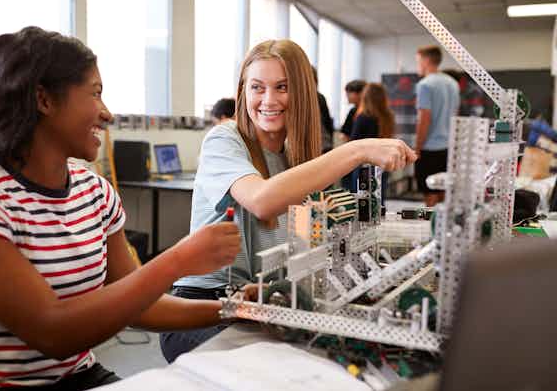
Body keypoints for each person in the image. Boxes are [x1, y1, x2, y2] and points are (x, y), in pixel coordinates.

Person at [0, 26, 244, 390]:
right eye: (95, 93)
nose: (106, 113)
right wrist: (180, 259)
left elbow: (139, 303)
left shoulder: (94, 192)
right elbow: (52, 332)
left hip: (77, 376)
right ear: (44, 99)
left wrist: (235, 310)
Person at [159, 39, 416, 363]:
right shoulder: (225, 139)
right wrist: (358, 149)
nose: (269, 100)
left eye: (282, 87)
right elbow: (262, 200)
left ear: (302, 94)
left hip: (259, 307)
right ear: (243, 92)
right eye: (257, 87)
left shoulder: (297, 159)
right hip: (202, 310)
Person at [414, 45, 460, 207]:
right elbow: (456, 115)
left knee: (430, 194)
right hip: (448, 148)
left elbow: (424, 118)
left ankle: (432, 230)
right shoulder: (453, 83)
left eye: (418, 61)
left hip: (429, 149)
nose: (417, 65)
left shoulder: (425, 85)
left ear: (426, 60)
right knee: (443, 191)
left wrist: (417, 148)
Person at [349, 83, 396, 203]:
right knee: (379, 198)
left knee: (361, 199)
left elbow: (353, 142)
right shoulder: (388, 117)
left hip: (363, 164)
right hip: (382, 161)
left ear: (365, 97)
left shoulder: (363, 117)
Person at [311, 66, 334, 153]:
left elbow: (327, 122)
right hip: (323, 144)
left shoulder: (319, 98)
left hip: (320, 144)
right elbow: (328, 123)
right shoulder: (320, 97)